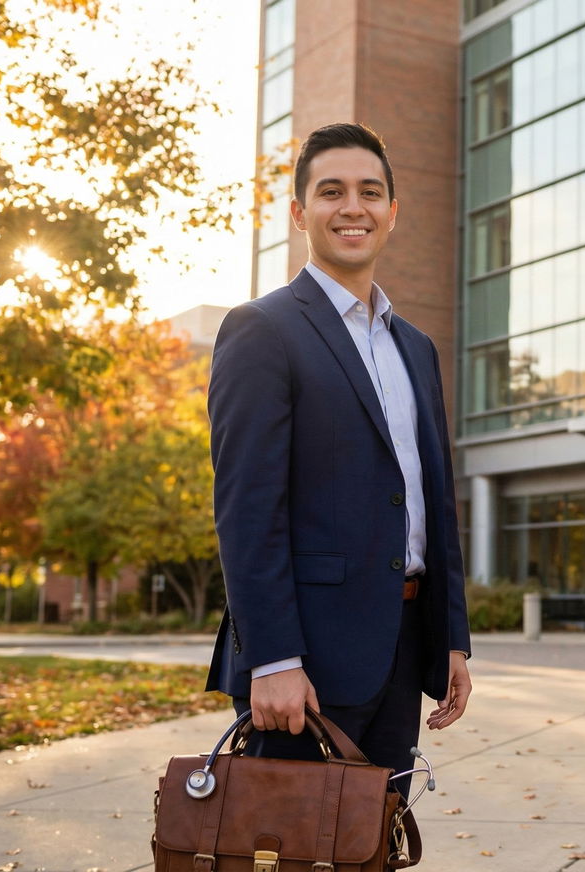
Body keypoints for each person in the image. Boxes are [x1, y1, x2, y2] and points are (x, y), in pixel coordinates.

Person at [205, 122, 472, 781]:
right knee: (293, 849)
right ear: (299, 213)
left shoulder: (416, 346)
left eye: (370, 192)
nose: (353, 208)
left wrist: (451, 641)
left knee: (369, 846)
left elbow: (434, 503)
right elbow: (247, 512)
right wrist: (271, 658)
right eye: (332, 191)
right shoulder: (262, 331)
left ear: (392, 212)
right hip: (305, 670)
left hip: (403, 655)